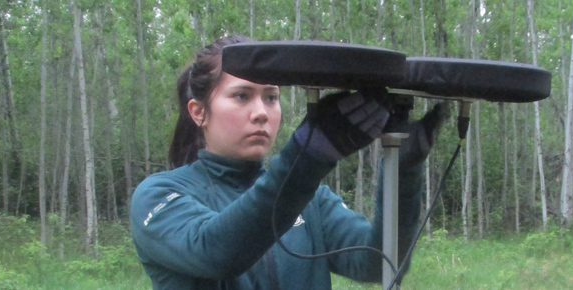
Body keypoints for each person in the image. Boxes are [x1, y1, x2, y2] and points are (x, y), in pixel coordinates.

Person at [130, 35, 448, 290]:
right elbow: (217, 252)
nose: (261, 112)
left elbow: (378, 263)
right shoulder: (158, 196)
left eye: (271, 97)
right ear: (199, 112)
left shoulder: (312, 199)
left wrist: (403, 172)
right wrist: (308, 157)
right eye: (242, 95)